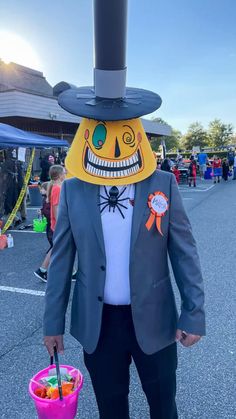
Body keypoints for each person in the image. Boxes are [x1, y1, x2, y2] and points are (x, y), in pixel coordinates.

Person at [43, 2, 205, 418]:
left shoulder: (163, 184)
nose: (112, 145)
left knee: (162, 404)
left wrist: (194, 311)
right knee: (111, 407)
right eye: (100, 133)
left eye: (123, 134)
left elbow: (184, 251)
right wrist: (52, 322)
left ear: (137, 134)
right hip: (98, 325)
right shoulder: (76, 190)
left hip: (154, 320)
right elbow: (61, 259)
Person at [34, 165, 65, 282]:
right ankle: (42, 270)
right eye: (64, 172)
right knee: (57, 247)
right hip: (57, 224)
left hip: (56, 223)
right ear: (59, 175)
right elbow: (56, 207)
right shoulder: (57, 188)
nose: (65, 174)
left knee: (61, 247)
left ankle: (71, 272)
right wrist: (59, 223)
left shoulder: (56, 186)